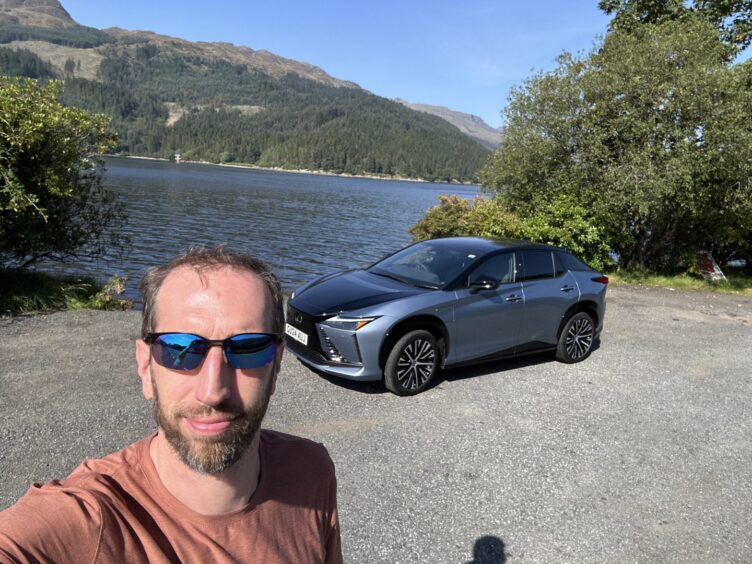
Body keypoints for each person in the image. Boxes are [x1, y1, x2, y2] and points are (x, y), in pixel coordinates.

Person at [0, 246, 342, 563]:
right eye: (180, 349)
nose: (213, 391)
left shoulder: (311, 472)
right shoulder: (91, 519)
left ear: (277, 364)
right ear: (145, 366)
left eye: (248, 348)